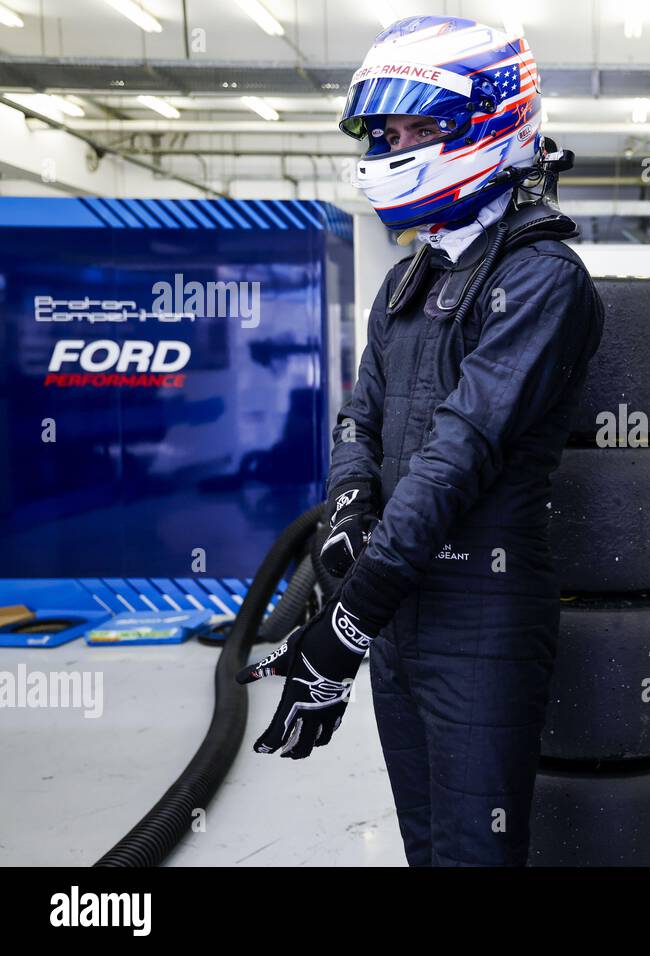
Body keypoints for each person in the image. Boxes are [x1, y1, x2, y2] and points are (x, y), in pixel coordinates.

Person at [236, 14, 605, 867]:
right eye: (387, 130)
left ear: (493, 121)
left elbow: (457, 454)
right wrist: (348, 510)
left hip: (484, 614)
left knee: (477, 854)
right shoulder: (409, 276)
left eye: (421, 127)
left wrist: (343, 627)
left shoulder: (542, 279)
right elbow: (358, 418)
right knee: (426, 847)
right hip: (397, 608)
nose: (396, 145)